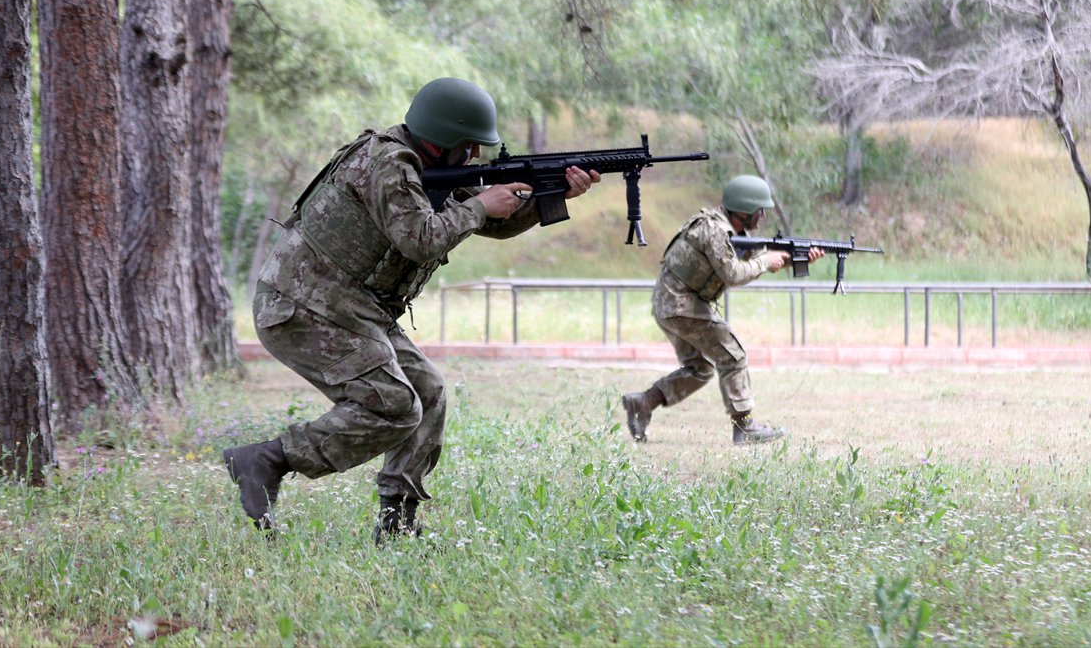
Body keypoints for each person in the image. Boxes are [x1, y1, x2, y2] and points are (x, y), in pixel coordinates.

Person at [223, 77, 599, 543]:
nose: (475, 156)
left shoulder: (428, 164)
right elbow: (421, 240)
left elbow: (494, 223)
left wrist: (552, 194)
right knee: (394, 404)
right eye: (468, 146)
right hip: (303, 305)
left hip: (349, 304)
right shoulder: (389, 164)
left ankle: (396, 524)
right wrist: (481, 206)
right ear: (441, 140)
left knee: (428, 391)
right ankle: (267, 460)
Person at [621, 175, 824, 445]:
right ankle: (745, 427)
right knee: (733, 356)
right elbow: (734, 274)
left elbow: (756, 259)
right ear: (744, 210)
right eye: (760, 210)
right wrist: (766, 261)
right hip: (680, 304)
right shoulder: (715, 231)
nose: (763, 216)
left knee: (700, 369)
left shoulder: (730, 231)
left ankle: (644, 402)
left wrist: (796, 258)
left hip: (670, 304)